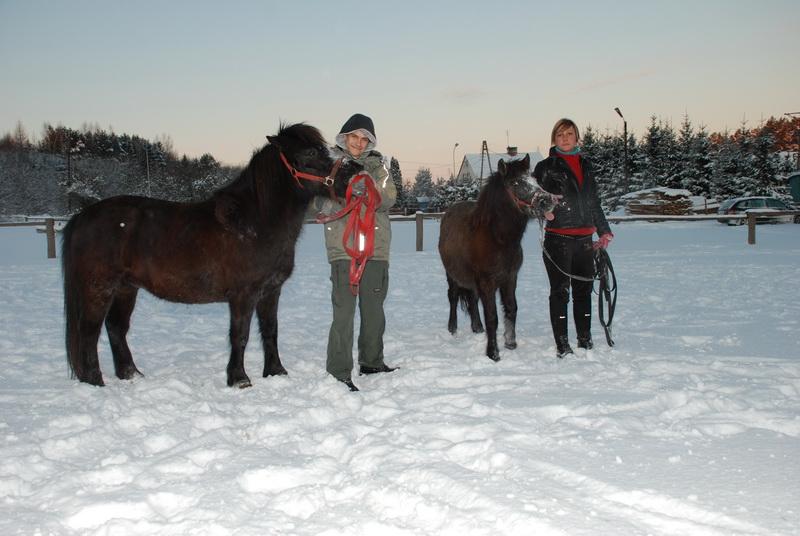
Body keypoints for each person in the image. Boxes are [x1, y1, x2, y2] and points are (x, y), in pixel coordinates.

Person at [314, 113, 397, 391]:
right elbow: (316, 200)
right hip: (343, 248)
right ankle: (339, 371)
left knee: (374, 311)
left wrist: (368, 187)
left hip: (376, 248)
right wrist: (344, 195)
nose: (359, 143)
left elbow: (390, 196)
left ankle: (372, 361)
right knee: (344, 313)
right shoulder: (328, 165)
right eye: (354, 137)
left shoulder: (378, 166)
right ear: (344, 137)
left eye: (364, 139)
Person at [533, 118, 613, 358]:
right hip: (558, 237)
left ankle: (585, 338)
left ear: (577, 137)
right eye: (560, 135)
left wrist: (603, 230)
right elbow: (534, 197)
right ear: (554, 139)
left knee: (583, 290)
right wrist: (544, 207)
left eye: (569, 133)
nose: (565, 138)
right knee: (560, 291)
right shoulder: (545, 167)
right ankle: (562, 343)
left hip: (585, 239)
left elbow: (593, 201)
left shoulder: (586, 165)